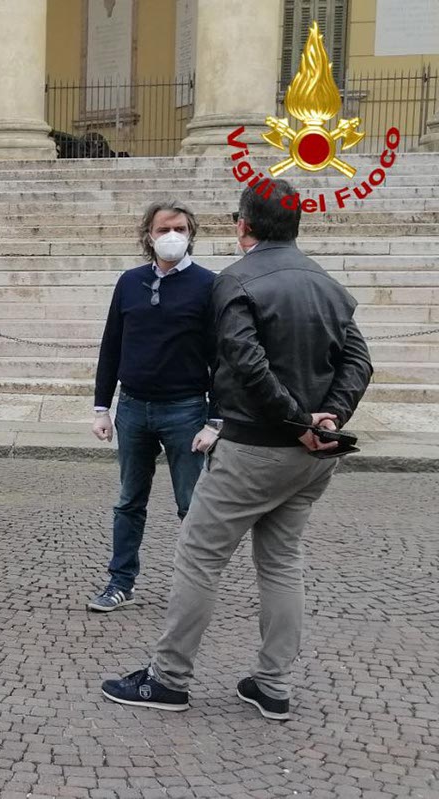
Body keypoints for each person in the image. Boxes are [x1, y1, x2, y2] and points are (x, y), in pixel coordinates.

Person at [102, 179, 373, 720]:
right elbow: (358, 360)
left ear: (243, 225)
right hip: (310, 455)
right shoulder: (328, 284)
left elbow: (247, 365)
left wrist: (300, 421)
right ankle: (273, 684)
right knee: (282, 562)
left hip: (256, 446)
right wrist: (329, 417)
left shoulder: (236, 281)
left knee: (199, 556)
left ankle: (170, 678)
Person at [88, 200, 219, 612]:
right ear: (149, 235)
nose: (172, 236)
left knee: (191, 505)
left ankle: (195, 588)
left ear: (192, 232)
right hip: (133, 407)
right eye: (164, 229)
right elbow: (112, 345)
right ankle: (120, 581)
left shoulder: (209, 286)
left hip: (186, 410)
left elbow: (223, 358)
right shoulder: (129, 282)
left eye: (180, 228)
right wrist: (100, 407)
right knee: (129, 500)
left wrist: (216, 419)